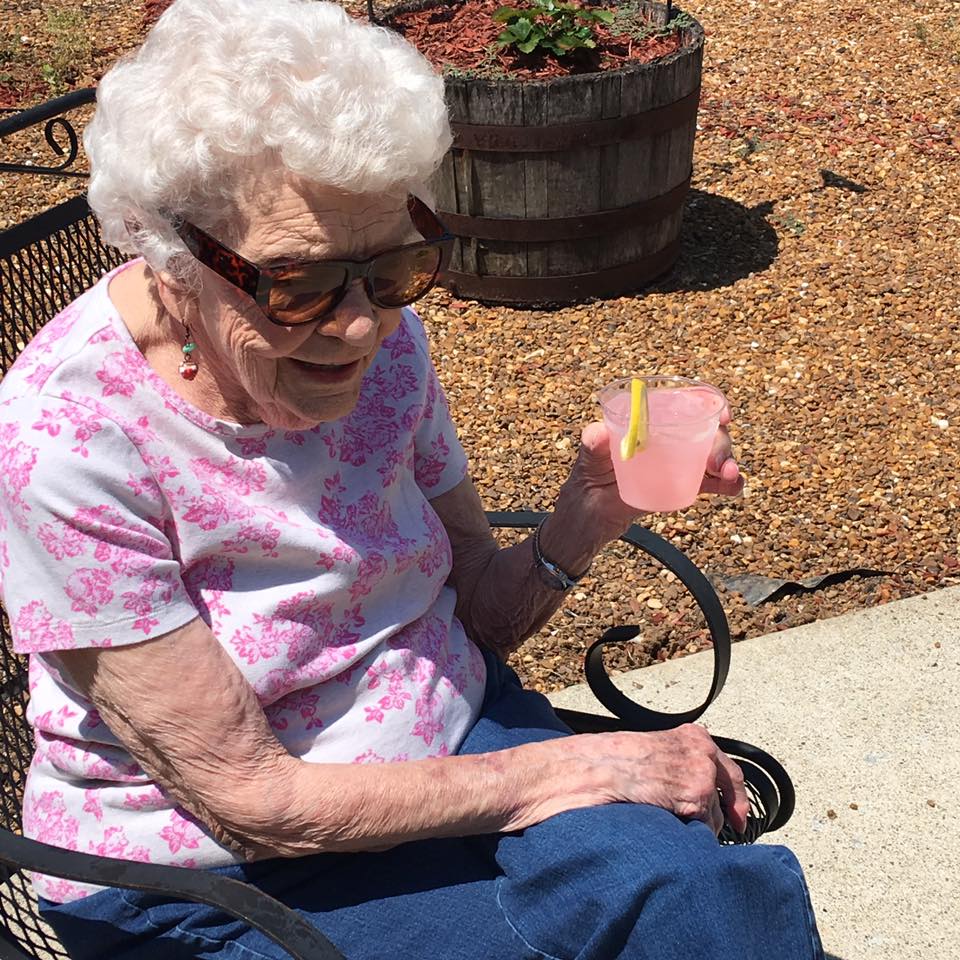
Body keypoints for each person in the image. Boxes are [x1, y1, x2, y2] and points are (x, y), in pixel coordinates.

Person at [0, 1, 824, 957]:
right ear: (172, 254)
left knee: (708, 901)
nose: (359, 327)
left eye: (394, 265)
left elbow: (477, 613)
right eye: (299, 281)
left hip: (452, 738)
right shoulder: (66, 444)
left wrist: (585, 518)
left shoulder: (385, 348)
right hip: (208, 869)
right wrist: (571, 771)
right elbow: (253, 802)